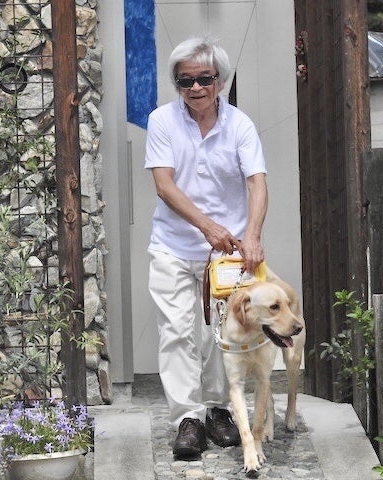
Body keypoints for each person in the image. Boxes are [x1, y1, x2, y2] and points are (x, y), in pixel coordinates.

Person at [145, 35, 268, 459]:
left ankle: (218, 409)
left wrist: (253, 235)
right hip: (173, 246)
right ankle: (188, 419)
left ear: (221, 80)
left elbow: (257, 183)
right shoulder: (162, 121)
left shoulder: (240, 125)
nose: (196, 88)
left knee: (223, 334)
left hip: (227, 254)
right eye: (186, 81)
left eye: (204, 79)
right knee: (177, 333)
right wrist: (206, 226)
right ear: (177, 83)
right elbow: (164, 186)